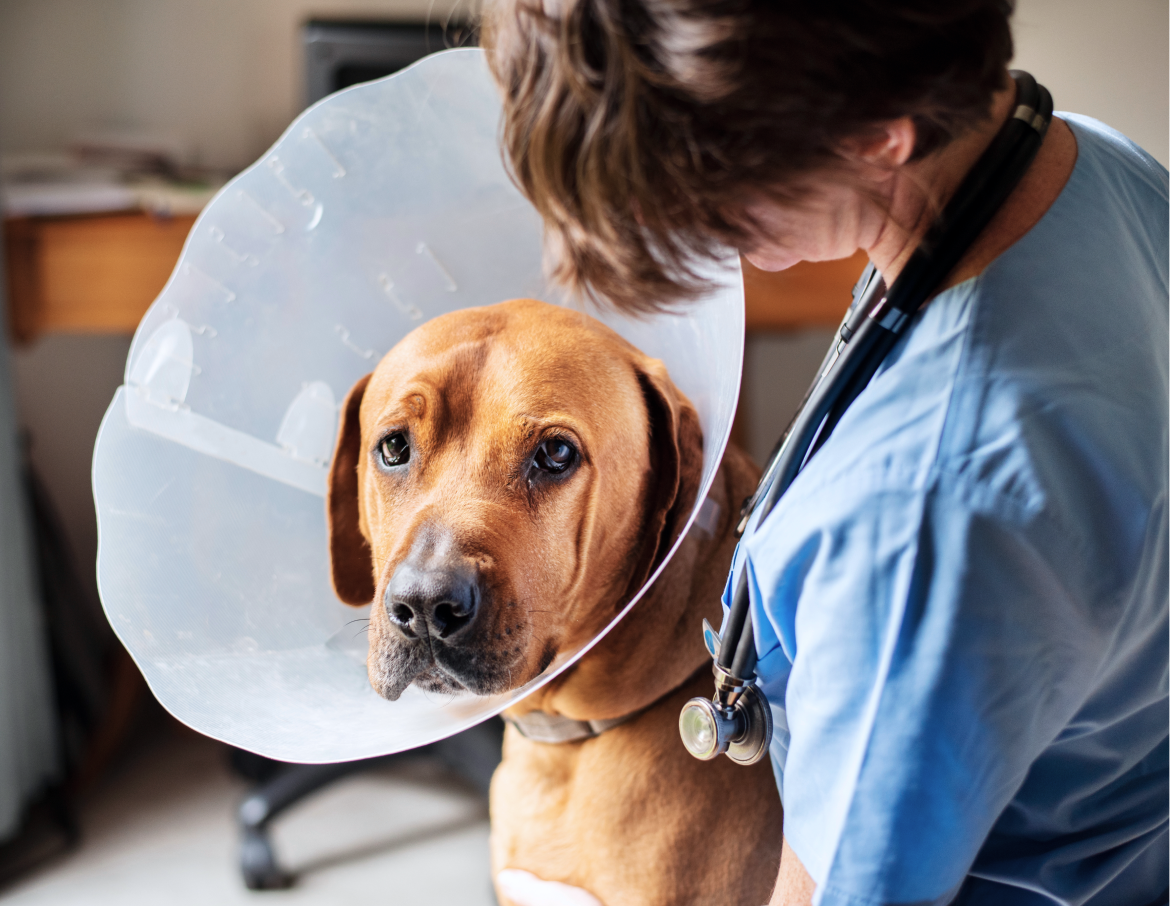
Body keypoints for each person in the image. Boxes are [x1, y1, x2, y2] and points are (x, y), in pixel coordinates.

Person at [482, 1, 1170, 904]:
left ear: (880, 134)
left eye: (709, 186)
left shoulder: (923, 511)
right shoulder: (1094, 160)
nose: (700, 229)